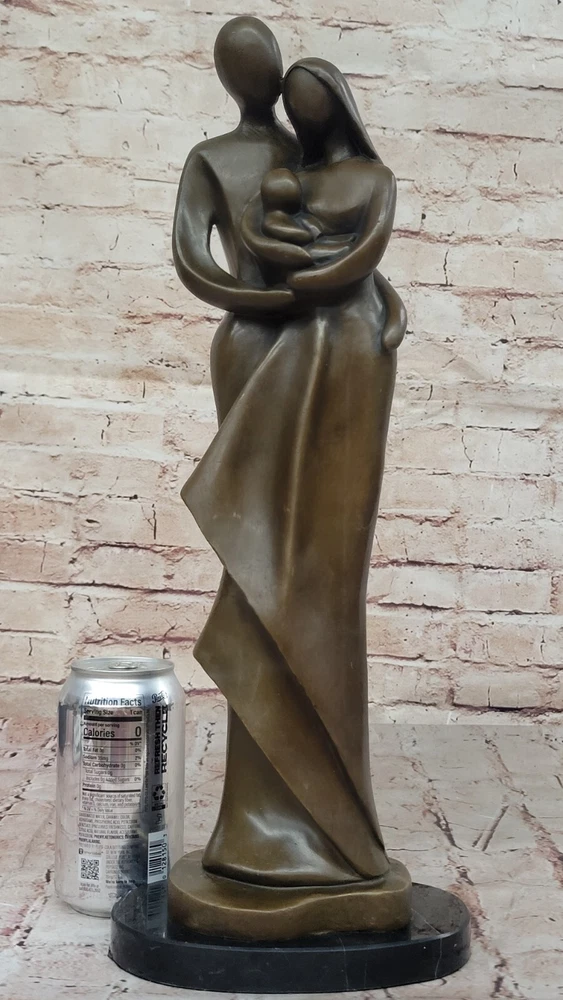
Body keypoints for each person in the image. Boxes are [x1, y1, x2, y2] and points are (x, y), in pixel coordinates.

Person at [181, 55, 410, 911]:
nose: (292, 110)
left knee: (321, 572)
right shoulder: (237, 162)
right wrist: (271, 299)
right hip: (265, 342)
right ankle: (255, 829)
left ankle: (335, 837)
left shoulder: (352, 175)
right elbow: (198, 261)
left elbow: (358, 257)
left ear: (334, 108)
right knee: (262, 570)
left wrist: (368, 294)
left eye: (311, 105)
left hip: (343, 350)